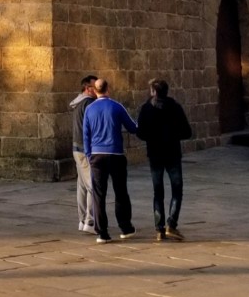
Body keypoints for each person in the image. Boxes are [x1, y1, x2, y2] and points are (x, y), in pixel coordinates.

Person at [135, 78, 192, 241]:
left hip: (155, 154)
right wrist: (172, 135)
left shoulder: (146, 109)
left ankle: (159, 229)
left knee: (158, 192)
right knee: (177, 190)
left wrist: (153, 137)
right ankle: (171, 224)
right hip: (172, 153)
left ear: (154, 92)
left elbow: (140, 133)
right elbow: (187, 132)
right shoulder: (175, 107)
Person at [82, 79, 137, 243]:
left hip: (97, 155)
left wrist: (89, 155)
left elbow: (86, 135)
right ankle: (125, 227)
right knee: (121, 192)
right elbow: (132, 127)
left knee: (99, 195)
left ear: (95, 91)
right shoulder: (117, 106)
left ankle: (102, 233)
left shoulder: (89, 109)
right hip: (116, 154)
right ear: (108, 89)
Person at [69, 75, 99, 231]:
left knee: (82, 185)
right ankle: (90, 221)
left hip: (77, 148)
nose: (97, 90)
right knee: (93, 186)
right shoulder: (89, 103)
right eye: (95, 87)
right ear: (88, 88)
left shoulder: (78, 102)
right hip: (85, 148)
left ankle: (82, 220)